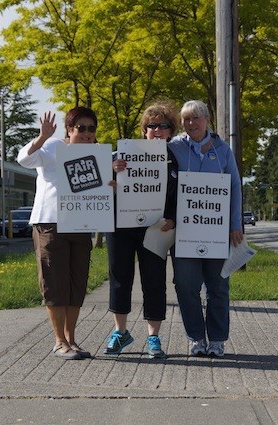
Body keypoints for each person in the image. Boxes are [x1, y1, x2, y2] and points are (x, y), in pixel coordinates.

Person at [17, 107, 98, 360]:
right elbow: (24, 159)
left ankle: (72, 340)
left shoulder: (96, 154)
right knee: (54, 283)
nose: (86, 133)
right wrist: (42, 136)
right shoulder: (52, 146)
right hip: (50, 223)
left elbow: (100, 190)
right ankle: (58, 341)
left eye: (91, 128)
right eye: (80, 128)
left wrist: (111, 181)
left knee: (76, 284)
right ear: (69, 129)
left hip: (81, 223)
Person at [167, 100, 243, 357]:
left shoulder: (223, 150)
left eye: (196, 118)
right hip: (185, 233)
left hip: (217, 232)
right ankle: (196, 338)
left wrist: (235, 225)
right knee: (186, 287)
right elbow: (148, 157)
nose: (191, 123)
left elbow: (234, 188)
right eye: (186, 119)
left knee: (217, 287)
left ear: (207, 120)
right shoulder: (175, 146)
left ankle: (218, 340)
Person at [104, 101, 179, 358]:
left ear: (171, 131)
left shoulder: (176, 160)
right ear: (143, 129)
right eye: (151, 125)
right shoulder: (119, 156)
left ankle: (153, 337)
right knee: (119, 279)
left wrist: (174, 219)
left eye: (163, 126)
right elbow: (99, 187)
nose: (156, 130)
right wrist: (110, 174)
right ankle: (120, 332)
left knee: (154, 282)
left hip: (155, 229)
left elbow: (184, 195)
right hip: (120, 226)